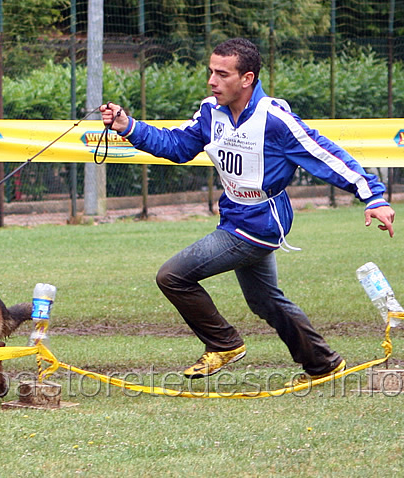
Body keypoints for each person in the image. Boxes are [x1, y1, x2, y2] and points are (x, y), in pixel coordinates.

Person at [100, 38, 395, 386]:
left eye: (222, 74)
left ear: (247, 78)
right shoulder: (211, 111)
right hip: (234, 217)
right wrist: (128, 126)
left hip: (258, 225)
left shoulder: (276, 119)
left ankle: (224, 344)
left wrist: (373, 197)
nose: (212, 81)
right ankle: (323, 364)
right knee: (265, 301)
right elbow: (178, 146)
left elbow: (326, 156)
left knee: (173, 276)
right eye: (211, 71)